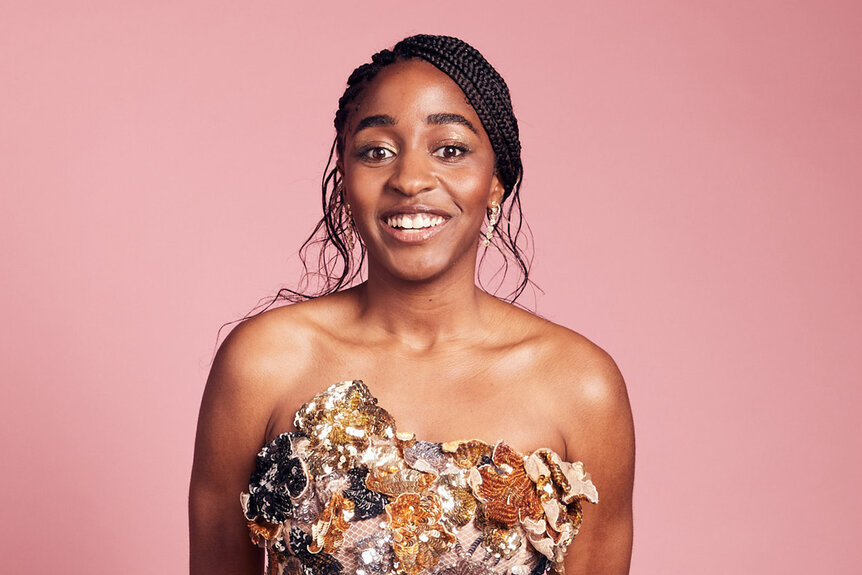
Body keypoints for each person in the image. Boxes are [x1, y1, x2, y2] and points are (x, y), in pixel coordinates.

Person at [189, 34, 634, 575]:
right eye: (377, 151)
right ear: (345, 182)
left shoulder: (580, 384)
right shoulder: (264, 362)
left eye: (449, 149)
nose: (410, 180)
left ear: (496, 182)